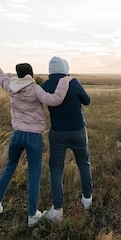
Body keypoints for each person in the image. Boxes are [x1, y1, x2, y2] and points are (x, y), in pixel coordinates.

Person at [0, 56, 71, 227]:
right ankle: (32, 216)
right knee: (34, 176)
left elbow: (0, 77)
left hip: (17, 135)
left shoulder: (11, 86)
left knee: (10, 168)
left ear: (18, 74)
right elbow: (54, 100)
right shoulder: (35, 89)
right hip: (33, 137)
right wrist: (64, 80)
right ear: (31, 74)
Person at [41, 56, 93, 223]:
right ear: (65, 68)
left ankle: (57, 210)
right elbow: (87, 100)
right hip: (78, 130)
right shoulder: (73, 82)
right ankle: (87, 200)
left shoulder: (45, 85)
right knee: (83, 163)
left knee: (56, 168)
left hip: (57, 132)